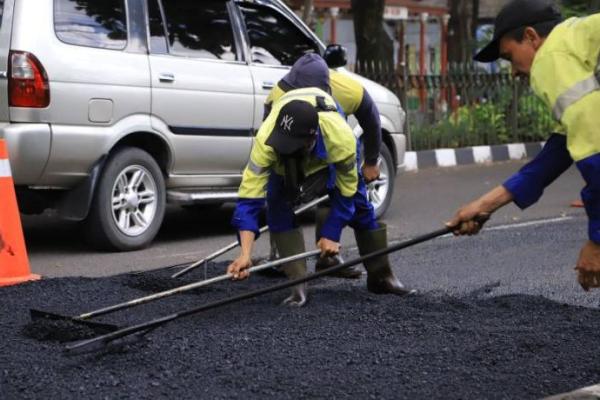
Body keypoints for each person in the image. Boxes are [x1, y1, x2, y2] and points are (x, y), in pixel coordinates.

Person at [446, 0, 600, 291]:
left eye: (509, 57)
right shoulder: (576, 43)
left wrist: (597, 241)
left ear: (531, 36)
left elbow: (595, 154)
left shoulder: (551, 55)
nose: (513, 73)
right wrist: (485, 205)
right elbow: (559, 150)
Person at [227, 86, 414, 306]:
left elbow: (347, 193)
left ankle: (381, 276)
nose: (283, 150)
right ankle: (297, 286)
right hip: (290, 132)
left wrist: (331, 233)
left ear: (311, 140)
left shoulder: (341, 140)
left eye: (290, 147)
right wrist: (245, 254)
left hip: (326, 143)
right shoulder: (268, 142)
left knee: (361, 206)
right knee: (277, 205)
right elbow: (249, 200)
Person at [264, 53, 385, 278]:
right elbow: (274, 147)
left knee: (352, 198)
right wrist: (291, 181)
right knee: (279, 197)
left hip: (336, 148)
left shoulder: (348, 90)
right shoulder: (279, 95)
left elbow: (371, 119)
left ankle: (336, 260)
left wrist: (370, 161)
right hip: (296, 151)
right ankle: (284, 260)